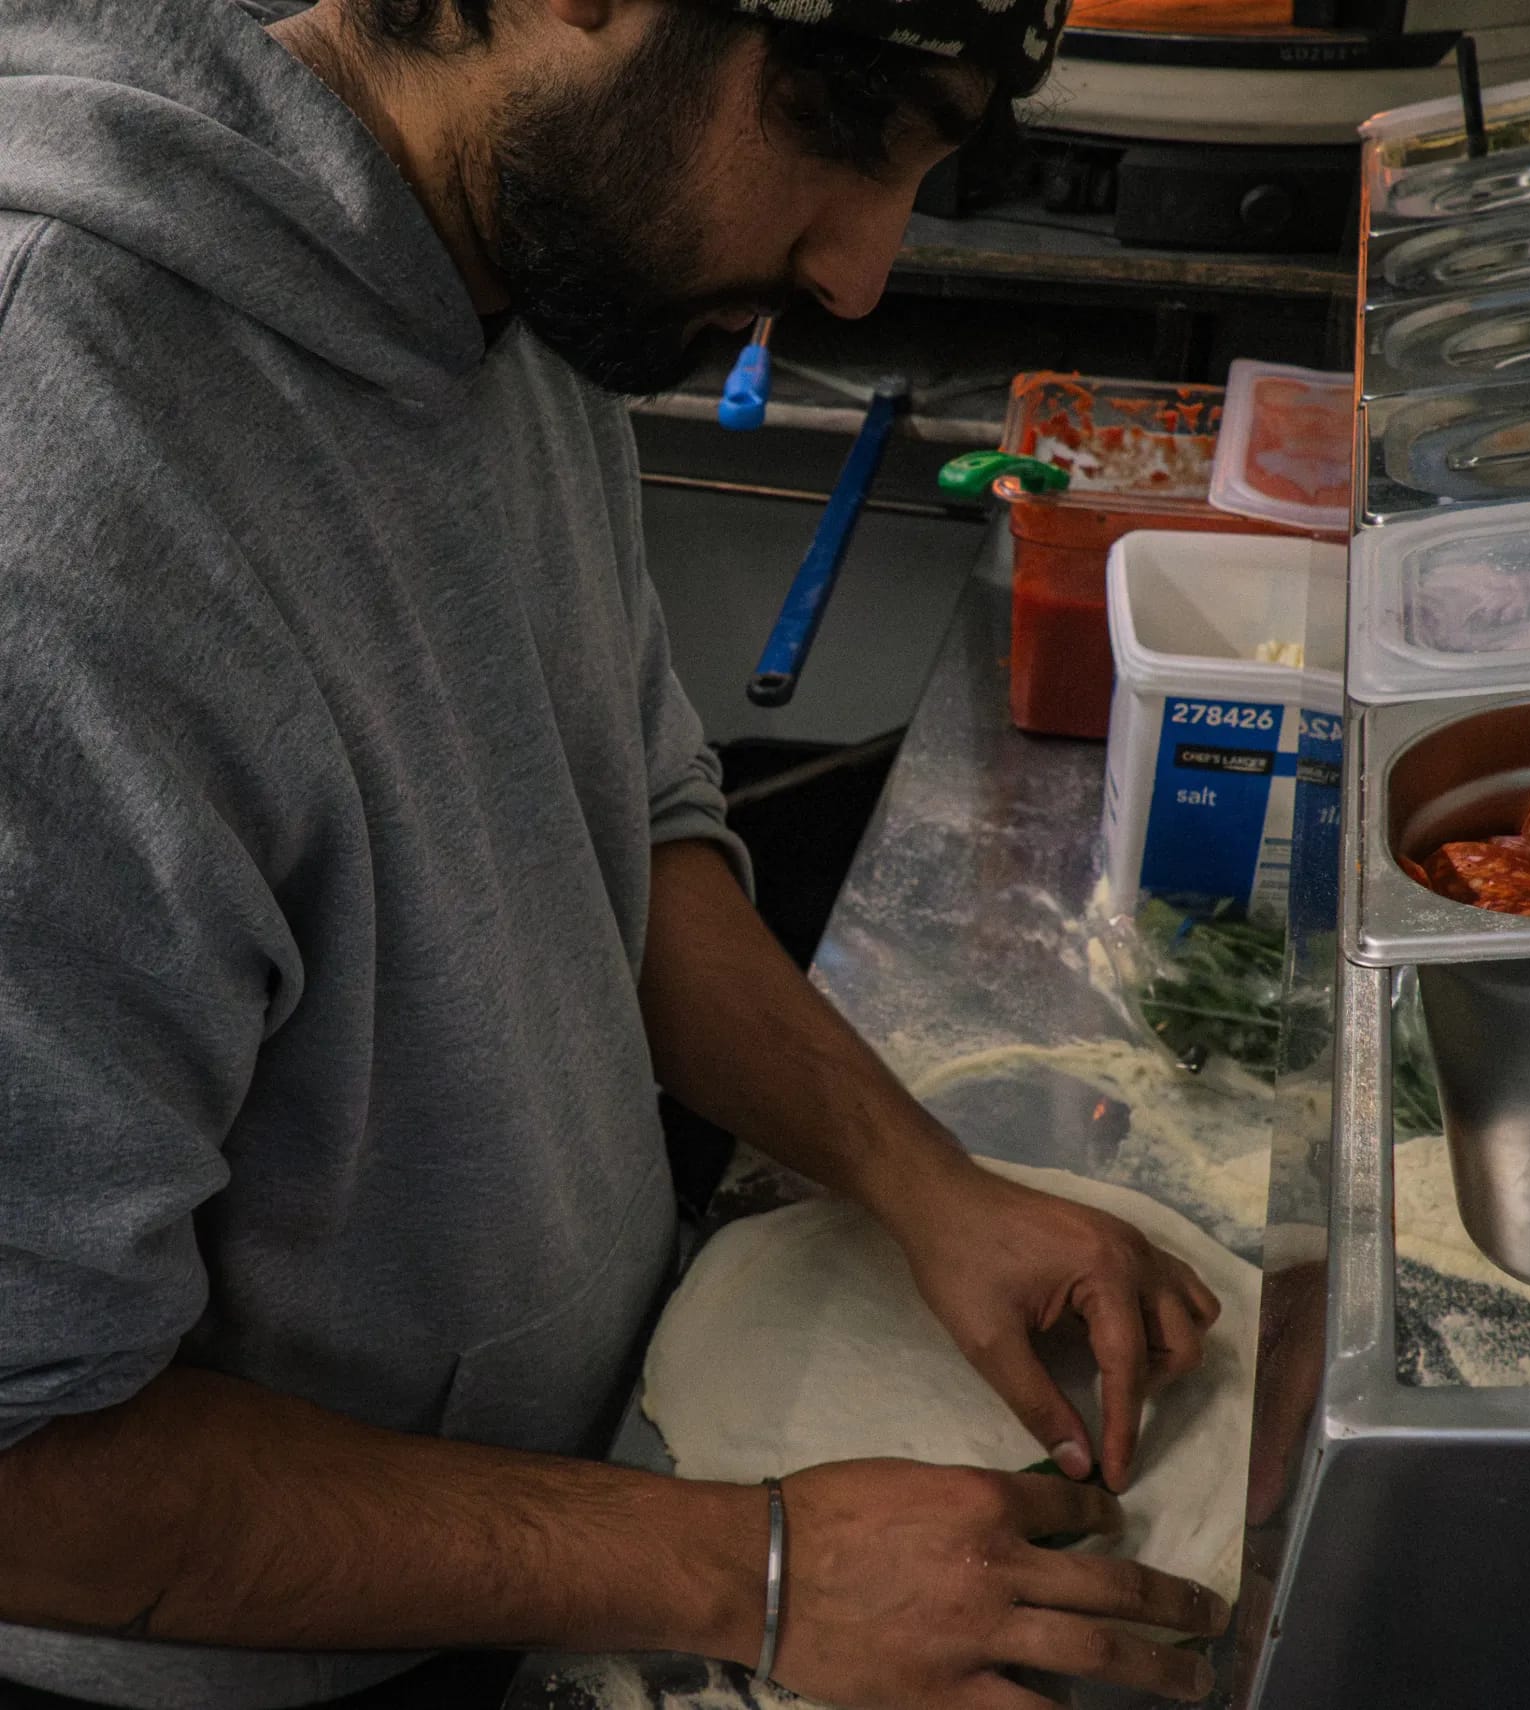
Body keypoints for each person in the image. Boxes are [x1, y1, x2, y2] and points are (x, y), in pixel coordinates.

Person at [0, 0, 1236, 1705]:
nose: (866, 276)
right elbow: (24, 1459)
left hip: (558, 1507)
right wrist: (763, 1566)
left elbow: (627, 832)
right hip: (229, 1646)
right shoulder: (56, 481)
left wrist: (921, 1184)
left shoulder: (516, 273)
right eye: (841, 134)